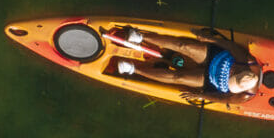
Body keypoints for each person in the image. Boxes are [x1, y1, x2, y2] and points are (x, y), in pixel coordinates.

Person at [105, 25, 262, 97]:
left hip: (210, 80)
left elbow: (222, 98)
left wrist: (201, 96)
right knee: (183, 45)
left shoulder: (245, 94)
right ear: (239, 71)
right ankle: (140, 37)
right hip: (214, 56)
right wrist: (208, 38)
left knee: (178, 78)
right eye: (232, 76)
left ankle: (134, 69)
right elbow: (228, 45)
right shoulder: (246, 60)